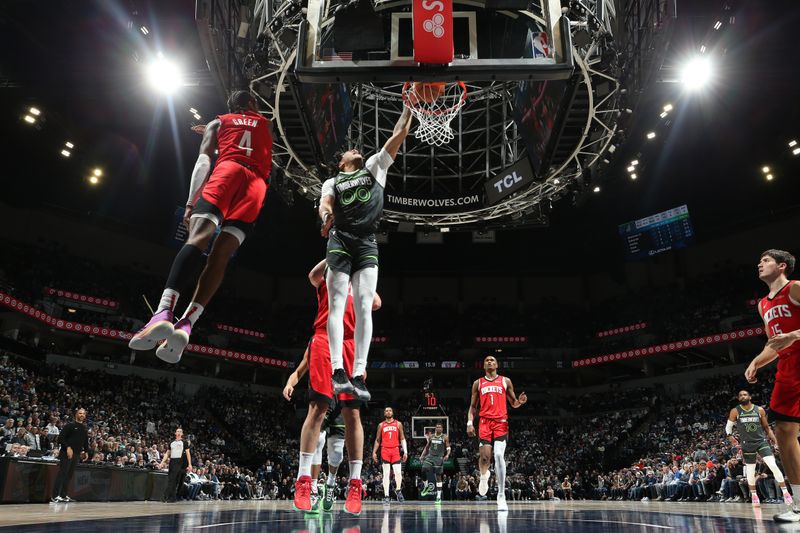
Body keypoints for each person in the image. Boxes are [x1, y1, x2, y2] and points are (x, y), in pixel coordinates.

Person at [128, 90, 273, 363]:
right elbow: (251, 135)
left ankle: (163, 312)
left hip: (228, 172)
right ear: (253, 104)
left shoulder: (219, 122)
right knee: (221, 256)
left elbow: (204, 160)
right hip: (256, 187)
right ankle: (187, 324)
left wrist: (191, 202)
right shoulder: (268, 124)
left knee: (197, 239)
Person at [318, 107, 413, 401]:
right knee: (336, 304)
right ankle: (337, 370)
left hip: (367, 242)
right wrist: (325, 218)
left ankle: (358, 374)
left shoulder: (374, 166)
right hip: (341, 239)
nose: (355, 149)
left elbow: (398, 135)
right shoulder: (332, 182)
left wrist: (410, 104)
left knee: (363, 305)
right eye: (349, 150)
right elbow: (325, 203)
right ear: (341, 162)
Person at [284, 259, 380, 516]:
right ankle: (304, 480)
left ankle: (355, 483)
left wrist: (360, 271)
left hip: (352, 343)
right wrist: (338, 251)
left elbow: (377, 302)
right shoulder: (329, 273)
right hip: (325, 339)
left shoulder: (358, 279)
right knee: (317, 408)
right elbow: (312, 275)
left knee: (353, 413)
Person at [745, 249, 800, 522]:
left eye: (765, 260)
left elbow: (788, 337)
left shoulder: (795, 288)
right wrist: (756, 361)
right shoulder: (762, 305)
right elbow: (774, 344)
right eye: (759, 260)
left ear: (782, 266)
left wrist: (794, 334)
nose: (759, 263)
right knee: (784, 432)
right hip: (788, 368)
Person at [467, 355, 527, 511]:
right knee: (485, 458)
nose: (489, 361)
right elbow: (473, 407)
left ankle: (501, 495)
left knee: (499, 455)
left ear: (497, 364)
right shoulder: (477, 383)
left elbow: (513, 403)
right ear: (483, 366)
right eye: (486, 360)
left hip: (501, 422)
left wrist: (519, 402)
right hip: (484, 422)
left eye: (492, 360)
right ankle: (484, 476)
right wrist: (469, 423)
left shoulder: (505, 381)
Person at [726, 389, 791, 507]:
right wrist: (730, 437)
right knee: (750, 471)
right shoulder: (735, 411)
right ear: (738, 398)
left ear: (750, 397)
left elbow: (766, 428)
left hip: (761, 442)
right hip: (747, 444)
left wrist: (775, 441)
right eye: (740, 395)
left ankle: (785, 493)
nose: (742, 396)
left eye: (745, 394)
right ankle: (754, 495)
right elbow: (728, 428)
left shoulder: (759, 410)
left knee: (772, 465)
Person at [51, 408, 89, 503]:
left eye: (83, 414)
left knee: (69, 475)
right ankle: (55, 496)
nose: (82, 415)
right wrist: (68, 447)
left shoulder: (84, 428)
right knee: (62, 473)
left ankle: (63, 495)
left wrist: (87, 451)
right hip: (66, 453)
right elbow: (60, 438)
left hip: (76, 454)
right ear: (76, 414)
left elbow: (85, 441)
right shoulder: (70, 425)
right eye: (80, 413)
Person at [372, 406, 408, 503]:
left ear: (392, 412)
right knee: (386, 474)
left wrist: (405, 451)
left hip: (395, 450)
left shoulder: (398, 424)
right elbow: (377, 440)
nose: (388, 412)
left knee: (398, 473)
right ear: (384, 413)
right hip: (385, 450)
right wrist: (374, 452)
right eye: (386, 411)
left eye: (390, 410)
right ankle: (387, 495)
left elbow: (402, 438)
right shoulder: (381, 425)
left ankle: (398, 490)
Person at [420, 422, 450, 504]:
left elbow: (448, 448)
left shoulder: (445, 437)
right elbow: (427, 447)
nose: (438, 428)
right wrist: (422, 456)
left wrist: (447, 455)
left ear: (442, 429)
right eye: (437, 427)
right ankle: (426, 487)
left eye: (440, 427)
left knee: (438, 477)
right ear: (435, 428)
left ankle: (438, 497)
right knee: (423, 469)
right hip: (430, 456)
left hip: (439, 458)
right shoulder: (431, 436)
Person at [160, 427, 193, 502]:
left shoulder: (184, 442)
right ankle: (172, 498)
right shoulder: (171, 442)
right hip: (172, 461)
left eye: (180, 431)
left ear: (182, 434)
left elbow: (188, 453)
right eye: (177, 431)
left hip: (179, 462)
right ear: (175, 433)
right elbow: (167, 453)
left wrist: (190, 464)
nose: (178, 432)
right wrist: (162, 462)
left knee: (173, 480)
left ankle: (166, 497)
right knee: (172, 480)